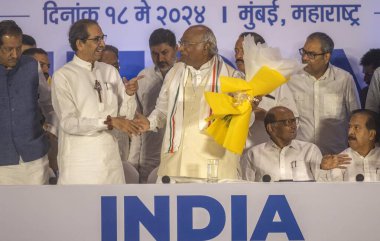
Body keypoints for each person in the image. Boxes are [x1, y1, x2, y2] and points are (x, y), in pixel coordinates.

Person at [132, 25, 248, 182]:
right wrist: (149, 123)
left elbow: (246, 122)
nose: (181, 48)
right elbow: (162, 111)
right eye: (181, 43)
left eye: (187, 44)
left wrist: (246, 110)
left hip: (214, 168)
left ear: (206, 47)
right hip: (175, 167)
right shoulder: (174, 72)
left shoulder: (233, 77)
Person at [51, 19, 138, 184]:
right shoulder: (64, 76)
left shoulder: (110, 71)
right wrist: (107, 122)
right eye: (96, 39)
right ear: (80, 44)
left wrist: (129, 94)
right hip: (80, 166)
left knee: (114, 209)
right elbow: (69, 123)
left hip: (111, 164)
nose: (102, 44)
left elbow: (125, 117)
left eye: (102, 38)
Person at [288, 32, 360, 155]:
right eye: (304, 52)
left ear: (326, 57)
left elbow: (356, 117)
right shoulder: (291, 79)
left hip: (336, 155)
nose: (304, 58)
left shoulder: (344, 79)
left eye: (311, 54)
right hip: (300, 156)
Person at [0, 20, 49, 184]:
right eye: (8, 49)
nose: (15, 55)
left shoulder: (32, 66)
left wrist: (54, 128)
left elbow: (47, 103)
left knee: (39, 208)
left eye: (18, 48)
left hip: (35, 160)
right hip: (2, 164)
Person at [128, 28, 177, 183]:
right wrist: (133, 163)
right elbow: (137, 126)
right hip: (149, 158)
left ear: (176, 49)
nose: (160, 58)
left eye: (165, 52)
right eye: (154, 54)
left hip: (179, 157)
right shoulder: (143, 78)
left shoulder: (186, 75)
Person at [234, 32, 299, 150]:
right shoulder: (232, 81)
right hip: (236, 154)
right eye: (236, 51)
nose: (238, 56)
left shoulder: (277, 83)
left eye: (243, 51)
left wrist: (268, 117)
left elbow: (294, 122)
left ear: (258, 52)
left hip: (266, 155)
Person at [241, 106, 322, 182]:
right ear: (271, 128)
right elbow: (245, 188)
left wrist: (325, 169)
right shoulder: (253, 154)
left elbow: (324, 185)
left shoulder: (310, 150)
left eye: (294, 121)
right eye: (287, 122)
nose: (293, 126)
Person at [321, 109, 380, 182]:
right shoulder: (340, 161)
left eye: (356, 127)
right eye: (349, 127)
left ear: (371, 134)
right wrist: (325, 170)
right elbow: (332, 191)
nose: (350, 132)